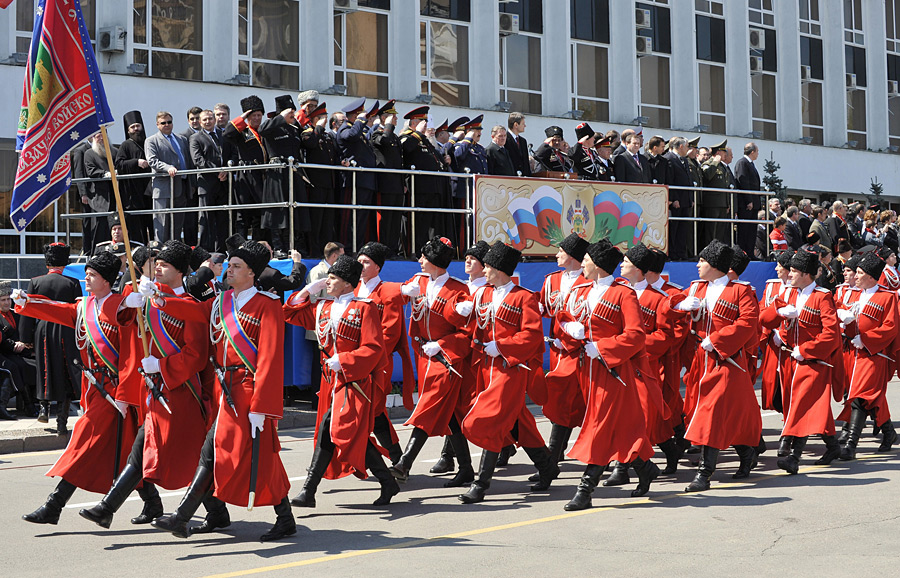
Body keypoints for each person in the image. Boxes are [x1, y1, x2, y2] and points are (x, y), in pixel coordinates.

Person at [150, 240, 294, 541]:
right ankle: (278, 516)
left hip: (247, 390)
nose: (229, 270)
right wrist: (161, 301)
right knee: (240, 453)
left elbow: (270, 359)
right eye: (229, 265)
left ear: (252, 273)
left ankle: (182, 516)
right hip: (223, 389)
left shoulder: (267, 305)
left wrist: (261, 406)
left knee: (219, 452)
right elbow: (195, 313)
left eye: (237, 266)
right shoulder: (221, 300)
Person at [78, 240, 212, 530]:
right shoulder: (149, 298)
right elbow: (121, 322)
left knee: (190, 454)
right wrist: (129, 301)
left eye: (165, 265)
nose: (158, 268)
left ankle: (216, 511)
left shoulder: (191, 306)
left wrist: (162, 366)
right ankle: (107, 508)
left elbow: (197, 356)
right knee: (143, 448)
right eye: (157, 263)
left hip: (181, 391)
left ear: (180, 272)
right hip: (153, 390)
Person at [17, 252, 153, 526]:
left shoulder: (124, 309)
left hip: (113, 391)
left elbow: (131, 355)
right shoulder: (84, 306)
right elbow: (58, 309)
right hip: (92, 388)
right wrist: (26, 302)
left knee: (84, 444)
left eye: (92, 275)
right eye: (87, 274)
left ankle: (53, 505)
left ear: (106, 280)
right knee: (125, 449)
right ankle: (153, 502)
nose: (86, 279)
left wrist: (125, 394)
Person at [283, 255, 400, 507]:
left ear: (347, 283)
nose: (327, 282)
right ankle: (386, 482)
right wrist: (306, 290)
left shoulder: (364, 308)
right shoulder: (323, 307)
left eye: (333, 278)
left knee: (337, 431)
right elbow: (289, 313)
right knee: (339, 433)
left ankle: (308, 490)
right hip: (330, 383)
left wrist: (345, 360)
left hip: (353, 382)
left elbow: (374, 348)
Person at [556, 239, 660, 511]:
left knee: (600, 427)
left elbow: (635, 335)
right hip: (586, 371)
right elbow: (563, 318)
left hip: (613, 372)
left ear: (599, 264)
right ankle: (645, 468)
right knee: (618, 430)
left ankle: (585, 489)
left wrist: (602, 348)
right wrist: (570, 330)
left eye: (587, 259)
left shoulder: (623, 294)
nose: (583, 264)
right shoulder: (581, 289)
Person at [451, 242, 556, 504]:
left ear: (498, 269)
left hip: (511, 368)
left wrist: (502, 346)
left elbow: (532, 335)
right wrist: (457, 311)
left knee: (493, 421)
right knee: (519, 423)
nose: (484, 270)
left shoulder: (524, 297)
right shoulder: (483, 294)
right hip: (486, 368)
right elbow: (472, 325)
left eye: (487, 266)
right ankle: (546, 466)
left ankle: (481, 484)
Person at [667, 240, 762, 492]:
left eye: (703, 261)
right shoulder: (696, 287)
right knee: (718, 414)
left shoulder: (740, 290)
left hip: (726, 360)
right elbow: (670, 306)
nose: (698, 265)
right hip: (701, 360)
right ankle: (746, 453)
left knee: (712, 412)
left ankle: (704, 473)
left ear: (716, 265)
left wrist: (719, 340)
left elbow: (748, 322)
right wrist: (679, 305)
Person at [388, 237, 472, 486]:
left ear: (435, 260)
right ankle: (466, 468)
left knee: (428, 406)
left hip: (446, 358)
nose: (420, 260)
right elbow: (395, 296)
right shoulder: (418, 280)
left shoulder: (458, 289)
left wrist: (443, 344)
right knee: (449, 413)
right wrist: (402, 291)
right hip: (424, 355)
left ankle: (404, 463)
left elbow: (467, 333)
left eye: (424, 256)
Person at [759, 249, 842, 472]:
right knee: (811, 407)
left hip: (813, 362)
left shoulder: (822, 296)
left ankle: (793, 457)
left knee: (801, 405)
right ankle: (833, 445)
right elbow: (764, 319)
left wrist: (806, 350)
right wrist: (779, 312)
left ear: (806, 274)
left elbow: (831, 335)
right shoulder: (788, 294)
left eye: (794, 271)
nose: (790, 274)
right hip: (791, 361)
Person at [429, 240, 490, 475]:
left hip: (479, 354)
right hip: (459, 353)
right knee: (454, 404)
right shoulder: (461, 287)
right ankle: (449, 456)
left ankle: (507, 443)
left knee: (481, 403)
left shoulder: (488, 289)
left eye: (473, 259)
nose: (468, 261)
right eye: (466, 257)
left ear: (484, 265)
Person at [354, 242, 414, 466]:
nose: (361, 265)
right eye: (359, 260)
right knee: (368, 411)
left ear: (378, 267)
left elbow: (390, 333)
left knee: (375, 409)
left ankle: (394, 460)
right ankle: (395, 459)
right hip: (354, 362)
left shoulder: (387, 293)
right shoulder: (353, 290)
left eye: (366, 262)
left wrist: (366, 355)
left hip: (378, 363)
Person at [836, 252, 898, 459]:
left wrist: (867, 339)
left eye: (860, 273)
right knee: (872, 397)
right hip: (854, 354)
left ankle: (851, 445)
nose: (855, 276)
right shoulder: (856, 295)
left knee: (860, 397)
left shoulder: (887, 297)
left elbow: (890, 327)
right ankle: (888, 432)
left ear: (871, 277)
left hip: (874, 354)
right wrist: (845, 322)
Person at [538, 233, 589, 474]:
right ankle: (555, 452)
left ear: (573, 256)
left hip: (581, 350)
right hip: (558, 350)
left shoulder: (589, 280)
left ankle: (553, 454)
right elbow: (544, 307)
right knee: (560, 399)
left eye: (561, 251)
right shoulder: (552, 280)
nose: (557, 255)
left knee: (574, 401)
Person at [18, 243, 82, 434]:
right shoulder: (73, 283)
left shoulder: (36, 282)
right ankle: (62, 422)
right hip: (66, 330)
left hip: (43, 330)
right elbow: (77, 312)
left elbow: (28, 311)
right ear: (65, 262)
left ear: (47, 263)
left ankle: (44, 409)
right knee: (65, 373)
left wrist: (26, 338)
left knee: (44, 368)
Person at [400, 106, 452, 251]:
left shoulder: (424, 140)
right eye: (422, 121)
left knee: (431, 222)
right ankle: (417, 250)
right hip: (418, 187)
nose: (425, 125)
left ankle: (430, 250)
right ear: (414, 123)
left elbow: (433, 157)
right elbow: (406, 148)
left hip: (432, 187)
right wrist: (417, 133)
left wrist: (444, 161)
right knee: (419, 221)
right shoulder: (408, 137)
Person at [304, 242, 344, 406]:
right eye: (341, 255)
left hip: (333, 326)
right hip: (319, 326)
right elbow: (313, 299)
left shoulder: (334, 271)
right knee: (319, 364)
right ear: (334, 256)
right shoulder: (318, 271)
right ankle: (317, 400)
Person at [223, 96, 268, 242]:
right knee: (242, 214)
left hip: (262, 175)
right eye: (253, 115)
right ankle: (241, 247)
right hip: (246, 174)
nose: (257, 118)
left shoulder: (264, 130)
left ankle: (258, 245)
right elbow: (227, 132)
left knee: (260, 213)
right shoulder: (242, 131)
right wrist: (242, 117)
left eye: (259, 115)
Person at [336, 97, 378, 249]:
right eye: (362, 116)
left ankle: (357, 246)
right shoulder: (345, 128)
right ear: (355, 116)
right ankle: (346, 248)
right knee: (350, 217)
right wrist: (360, 121)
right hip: (353, 180)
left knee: (361, 218)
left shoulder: (358, 130)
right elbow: (350, 136)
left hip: (365, 180)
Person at [300, 102, 339, 258]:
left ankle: (327, 251)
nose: (325, 120)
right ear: (315, 119)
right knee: (316, 219)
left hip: (329, 182)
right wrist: (317, 128)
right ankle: (314, 251)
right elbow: (310, 144)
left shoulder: (327, 136)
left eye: (325, 117)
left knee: (328, 221)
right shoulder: (308, 132)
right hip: (315, 183)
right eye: (322, 117)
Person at [145, 111, 192, 243]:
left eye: (169, 122)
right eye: (163, 123)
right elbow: (152, 161)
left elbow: (187, 160)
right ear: (157, 124)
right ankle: (161, 251)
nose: (167, 125)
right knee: (162, 225)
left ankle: (174, 250)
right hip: (163, 188)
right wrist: (168, 167)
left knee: (177, 224)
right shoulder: (151, 140)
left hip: (181, 186)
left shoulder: (181, 139)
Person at [189, 108, 229, 253]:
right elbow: (198, 160)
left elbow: (231, 153)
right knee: (206, 219)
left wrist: (226, 170)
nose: (208, 122)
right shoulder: (195, 138)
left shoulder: (223, 135)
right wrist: (217, 171)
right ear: (200, 122)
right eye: (204, 119)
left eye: (210, 118)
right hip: (207, 184)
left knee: (223, 219)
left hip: (224, 183)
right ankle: (206, 251)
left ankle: (221, 251)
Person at [370, 100, 405, 254]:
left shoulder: (394, 136)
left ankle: (392, 249)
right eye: (393, 117)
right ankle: (382, 250)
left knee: (395, 219)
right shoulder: (377, 133)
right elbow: (383, 142)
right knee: (384, 219)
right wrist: (388, 126)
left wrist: (403, 182)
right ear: (384, 118)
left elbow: (399, 161)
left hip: (397, 183)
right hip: (385, 183)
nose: (396, 119)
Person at [114, 110, 153, 245]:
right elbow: (119, 164)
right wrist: (136, 162)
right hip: (133, 193)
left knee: (152, 223)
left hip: (149, 191)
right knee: (137, 226)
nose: (136, 129)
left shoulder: (148, 142)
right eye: (133, 127)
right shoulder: (125, 145)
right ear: (128, 130)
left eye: (138, 126)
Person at [0, 282, 37, 419]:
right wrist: (14, 345)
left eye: (8, 299)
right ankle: (28, 405)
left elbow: (25, 333)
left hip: (20, 351)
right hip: (5, 352)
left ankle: (37, 402)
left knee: (35, 364)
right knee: (19, 366)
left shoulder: (16, 313)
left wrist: (26, 344)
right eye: (3, 300)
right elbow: (2, 340)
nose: (7, 302)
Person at [82, 131, 119, 250]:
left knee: (114, 230)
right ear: (93, 138)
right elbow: (90, 170)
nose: (101, 138)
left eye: (103, 136)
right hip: (99, 198)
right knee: (99, 231)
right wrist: (105, 174)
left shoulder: (114, 151)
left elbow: (120, 165)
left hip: (115, 195)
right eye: (98, 136)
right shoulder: (89, 153)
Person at [663, 137, 693, 260]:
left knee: (683, 229)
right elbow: (670, 180)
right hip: (677, 200)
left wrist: (690, 198)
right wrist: (674, 199)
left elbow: (688, 180)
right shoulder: (669, 158)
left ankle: (681, 253)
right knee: (674, 229)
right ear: (681, 146)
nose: (688, 149)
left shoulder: (684, 160)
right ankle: (673, 254)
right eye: (687, 146)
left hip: (685, 199)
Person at [700, 141, 732, 247]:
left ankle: (717, 252)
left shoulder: (722, 166)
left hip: (722, 204)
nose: (725, 154)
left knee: (720, 233)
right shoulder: (708, 164)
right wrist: (714, 162)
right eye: (723, 152)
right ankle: (709, 252)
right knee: (711, 232)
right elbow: (707, 176)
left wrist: (727, 203)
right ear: (718, 153)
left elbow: (725, 185)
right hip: (712, 204)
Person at [733, 143, 762, 258]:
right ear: (752, 152)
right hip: (746, 204)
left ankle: (749, 252)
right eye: (757, 151)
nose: (758, 154)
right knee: (744, 230)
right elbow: (743, 181)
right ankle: (742, 253)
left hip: (753, 203)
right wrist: (749, 200)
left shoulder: (750, 164)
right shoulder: (742, 163)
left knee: (751, 230)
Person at [504, 112, 531, 176]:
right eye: (523, 124)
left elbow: (526, 163)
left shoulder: (523, 141)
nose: (525, 126)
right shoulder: (505, 139)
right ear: (516, 125)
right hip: (511, 177)